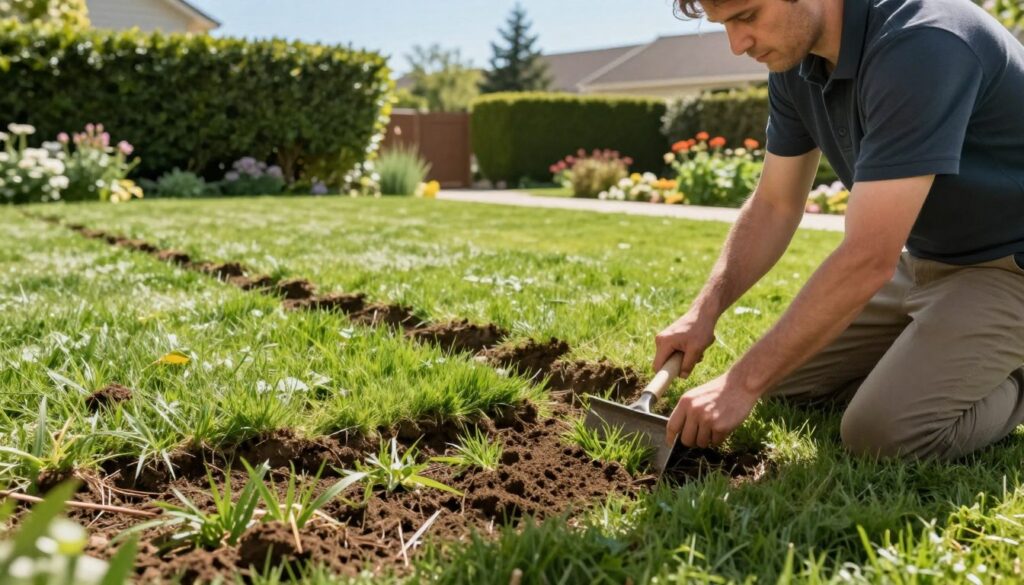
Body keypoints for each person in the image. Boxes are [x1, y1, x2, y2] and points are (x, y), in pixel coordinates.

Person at [654, 0, 1024, 460]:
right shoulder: (796, 62)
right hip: (927, 261)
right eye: (724, 24)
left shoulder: (923, 41)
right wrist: (703, 311)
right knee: (788, 386)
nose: (736, 45)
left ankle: (1010, 372)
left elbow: (868, 257)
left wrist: (739, 383)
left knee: (881, 434)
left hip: (1010, 269)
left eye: (747, 16)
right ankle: (940, 348)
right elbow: (774, 203)